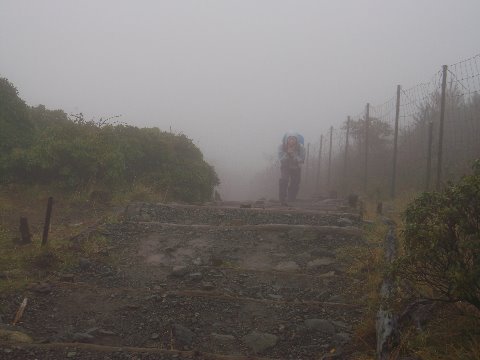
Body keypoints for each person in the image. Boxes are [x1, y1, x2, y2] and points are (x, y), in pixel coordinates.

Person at [278, 132, 306, 205]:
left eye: (293, 139)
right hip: (285, 166)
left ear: (296, 140)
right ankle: (282, 198)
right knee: (284, 180)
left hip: (296, 167)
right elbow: (281, 159)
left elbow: (302, 159)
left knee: (295, 182)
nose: (291, 141)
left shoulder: (301, 148)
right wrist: (287, 154)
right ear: (287, 140)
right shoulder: (282, 147)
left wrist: (293, 155)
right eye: (290, 139)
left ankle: (291, 198)